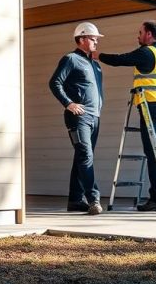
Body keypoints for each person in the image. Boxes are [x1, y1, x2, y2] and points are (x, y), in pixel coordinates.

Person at [96, 20, 156, 212]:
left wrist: (98, 55)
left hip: (151, 106)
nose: (137, 36)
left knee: (153, 152)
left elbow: (120, 59)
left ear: (148, 34)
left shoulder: (147, 52)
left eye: (140, 32)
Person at [48, 22, 105, 215]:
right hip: (78, 117)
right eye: (93, 38)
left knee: (82, 158)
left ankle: (74, 200)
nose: (96, 41)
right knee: (85, 156)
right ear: (81, 39)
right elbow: (55, 82)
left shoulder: (95, 65)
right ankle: (93, 199)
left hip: (94, 117)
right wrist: (68, 103)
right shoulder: (70, 59)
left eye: (97, 38)